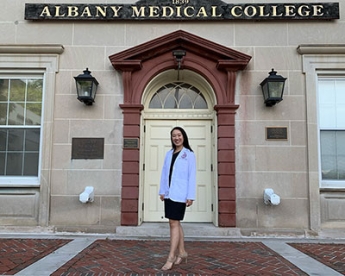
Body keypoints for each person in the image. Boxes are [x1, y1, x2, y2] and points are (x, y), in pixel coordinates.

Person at [158, 126, 196, 271]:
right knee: (175, 223)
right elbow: (164, 173)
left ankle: (171, 257)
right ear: (172, 138)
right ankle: (182, 252)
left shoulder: (189, 154)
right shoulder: (169, 154)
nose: (176, 138)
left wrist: (190, 196)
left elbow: (192, 176)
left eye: (179, 135)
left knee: (174, 223)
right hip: (169, 193)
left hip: (181, 194)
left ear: (184, 137)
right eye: (174, 136)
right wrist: (162, 191)